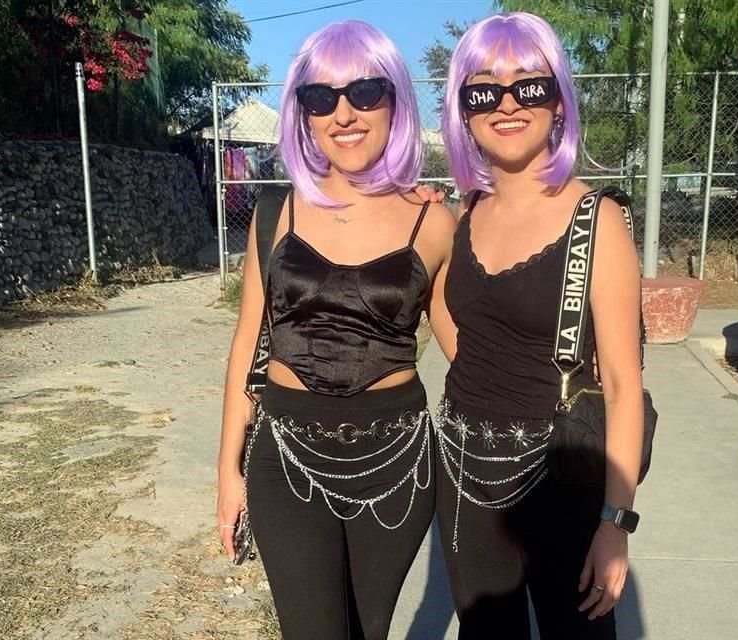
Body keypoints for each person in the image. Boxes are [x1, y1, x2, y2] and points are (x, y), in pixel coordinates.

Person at [215, 20, 455, 640]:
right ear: (303, 114)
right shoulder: (274, 211)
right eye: (320, 98)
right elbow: (247, 344)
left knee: (366, 631)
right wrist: (227, 472)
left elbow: (468, 351)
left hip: (398, 463)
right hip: (286, 457)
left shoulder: (434, 221)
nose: (343, 113)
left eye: (365, 92)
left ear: (395, 101)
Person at [433, 12, 645, 639]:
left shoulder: (596, 220)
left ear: (558, 102)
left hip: (561, 479)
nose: (506, 103)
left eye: (529, 85)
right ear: (462, 110)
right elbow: (452, 320)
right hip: (465, 473)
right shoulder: (462, 212)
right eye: (483, 90)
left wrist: (616, 522)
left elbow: (625, 387)